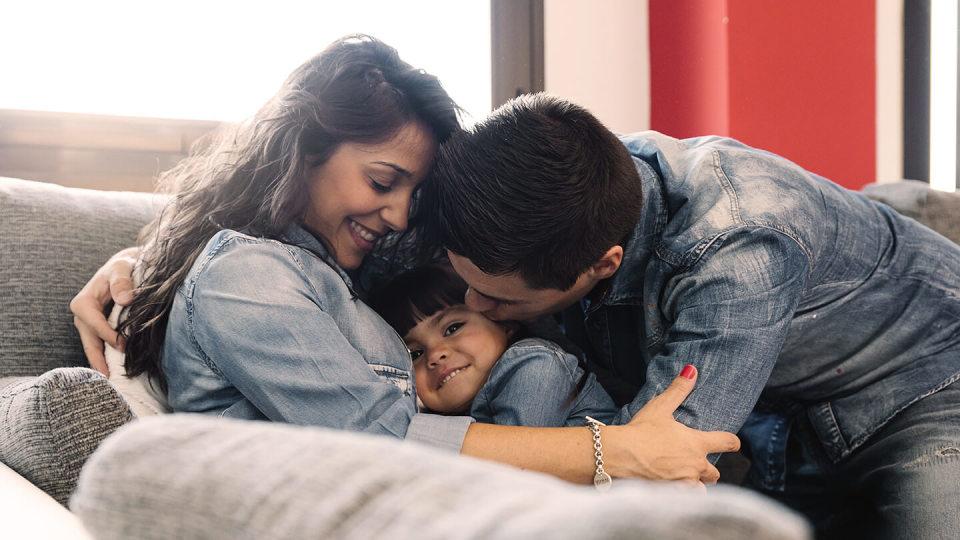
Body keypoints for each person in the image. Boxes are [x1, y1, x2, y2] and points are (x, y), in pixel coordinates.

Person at [69, 38, 739, 486]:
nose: (397, 215)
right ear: (302, 150)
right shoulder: (247, 277)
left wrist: (142, 256)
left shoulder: (333, 262)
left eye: (413, 194)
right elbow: (380, 437)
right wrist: (613, 452)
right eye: (384, 181)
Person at [425, 93, 960, 537]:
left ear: (601, 264)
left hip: (931, 383)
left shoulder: (739, 248)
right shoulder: (575, 188)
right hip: (781, 410)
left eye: (501, 301)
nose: (475, 307)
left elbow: (661, 460)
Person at [370, 264, 619, 426]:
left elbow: (511, 471)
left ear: (503, 322)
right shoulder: (442, 422)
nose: (435, 355)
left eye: (452, 328)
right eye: (415, 354)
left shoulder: (534, 365)